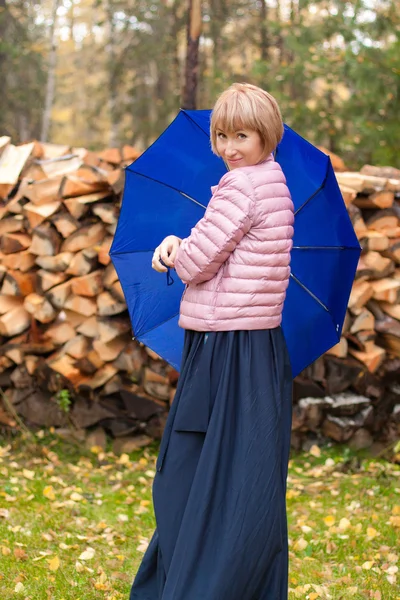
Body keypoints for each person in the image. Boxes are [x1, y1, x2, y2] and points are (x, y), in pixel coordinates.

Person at [130, 82, 295, 600]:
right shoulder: (275, 182)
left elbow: (198, 261)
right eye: (222, 136)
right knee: (241, 470)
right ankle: (236, 577)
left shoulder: (240, 187)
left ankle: (197, 581)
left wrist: (170, 246)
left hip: (227, 346)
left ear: (266, 135)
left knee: (188, 465)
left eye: (241, 135)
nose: (229, 148)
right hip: (258, 343)